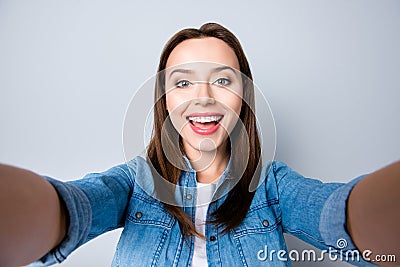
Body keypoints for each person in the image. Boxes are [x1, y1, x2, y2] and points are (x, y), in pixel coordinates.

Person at [0, 22, 399, 267]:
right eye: (183, 82)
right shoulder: (135, 182)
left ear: (243, 97)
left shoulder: (272, 186)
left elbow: (340, 215)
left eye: (223, 80)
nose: (203, 96)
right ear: (165, 100)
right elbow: (71, 208)